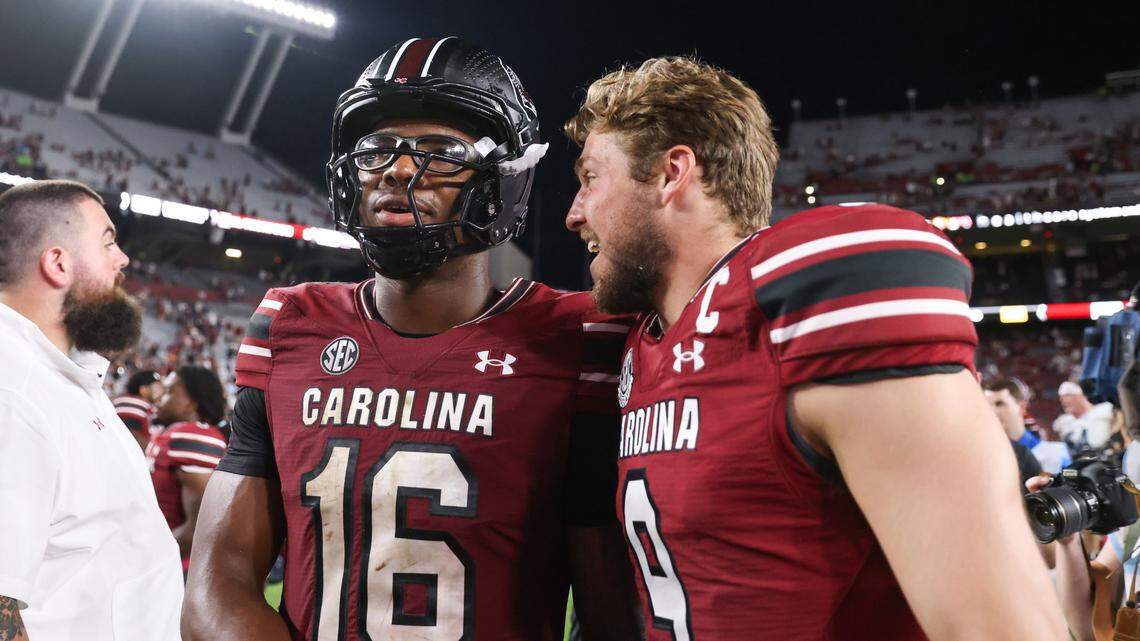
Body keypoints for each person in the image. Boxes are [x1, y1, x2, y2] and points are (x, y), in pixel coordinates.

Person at [563, 56, 1067, 640]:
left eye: (591, 178)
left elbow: (1000, 629)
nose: (575, 212)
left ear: (672, 172)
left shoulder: (801, 295)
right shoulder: (632, 344)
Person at [183, 37, 640, 641]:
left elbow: (610, 611)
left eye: (440, 152)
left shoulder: (577, 337)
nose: (398, 170)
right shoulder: (290, 324)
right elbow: (217, 581)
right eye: (376, 150)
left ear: (503, 178)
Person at [0, 180, 182, 640]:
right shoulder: (13, 387)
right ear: (58, 263)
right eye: (108, 241)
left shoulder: (58, 374)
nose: (122, 259)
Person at [146, 365, 228, 572]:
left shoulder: (193, 436)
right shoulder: (174, 433)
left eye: (170, 391)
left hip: (177, 571)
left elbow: (199, 526)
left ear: (190, 403)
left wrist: (146, 562)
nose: (160, 397)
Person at [984, 378, 1071, 475]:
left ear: (1022, 407)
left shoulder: (1055, 455)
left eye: (999, 404)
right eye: (986, 405)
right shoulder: (982, 457)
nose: (992, 411)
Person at [1055, 381, 1115, 452]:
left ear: (1080, 396)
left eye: (1067, 395)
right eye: (1061, 398)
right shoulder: (1065, 424)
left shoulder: (1103, 412)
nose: (1062, 400)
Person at [114, 368, 163, 450]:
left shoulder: (124, 402)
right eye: (157, 387)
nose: (162, 391)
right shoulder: (134, 405)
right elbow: (130, 440)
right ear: (143, 390)